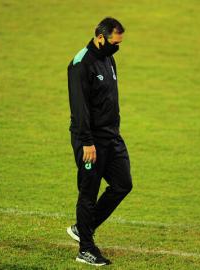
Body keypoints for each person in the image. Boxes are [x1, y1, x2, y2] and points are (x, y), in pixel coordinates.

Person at [66, 17, 133, 266]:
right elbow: (79, 108)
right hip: (90, 141)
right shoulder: (80, 64)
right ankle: (85, 248)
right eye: (114, 42)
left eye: (120, 43)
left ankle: (84, 227)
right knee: (88, 192)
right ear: (100, 37)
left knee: (123, 184)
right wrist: (87, 142)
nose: (117, 47)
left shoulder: (108, 57)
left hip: (112, 137)